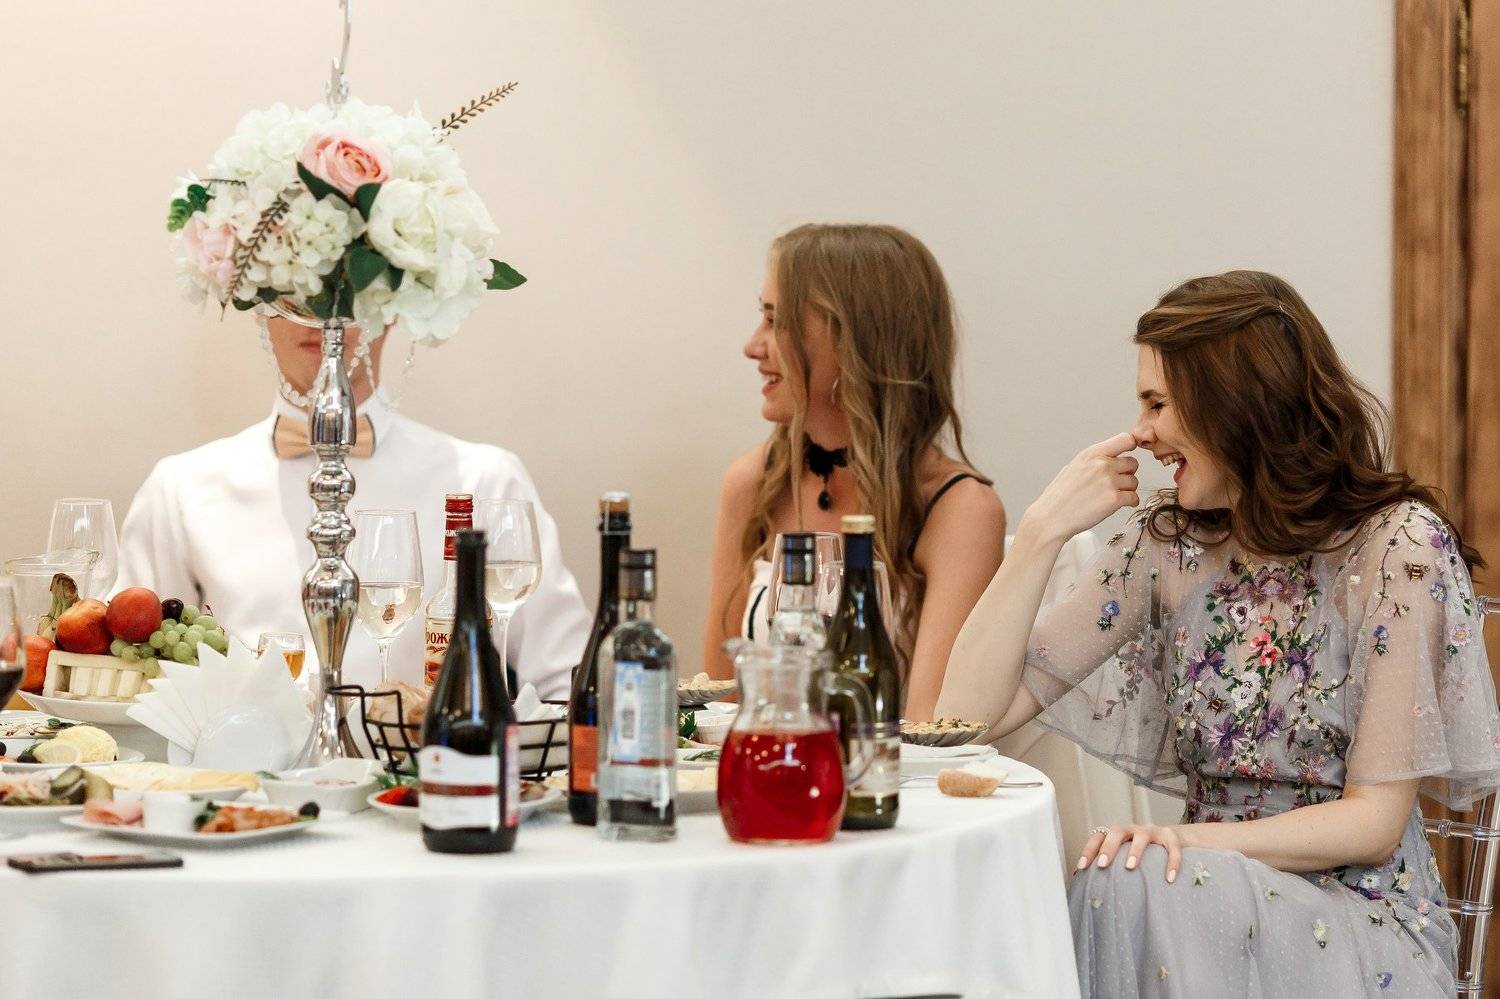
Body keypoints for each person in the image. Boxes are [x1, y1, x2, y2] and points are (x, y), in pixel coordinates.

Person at [935, 270, 1500, 996]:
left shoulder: (1398, 547)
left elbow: (1373, 824)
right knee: (1123, 879)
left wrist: (1183, 842)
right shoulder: (1167, 546)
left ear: (1232, 400)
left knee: (1128, 877)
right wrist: (1042, 532)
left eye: (1157, 403)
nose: (1142, 432)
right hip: (1200, 907)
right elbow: (964, 719)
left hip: (1361, 923)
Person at [116, 313, 590, 698]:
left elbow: (566, 675)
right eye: (293, 291)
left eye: (346, 288)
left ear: (394, 306)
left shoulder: (484, 481)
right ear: (258, 307)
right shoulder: (180, 488)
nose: (320, 317)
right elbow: (132, 677)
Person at [702, 223, 1005, 720]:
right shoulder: (755, 482)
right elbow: (717, 703)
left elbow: (929, 725)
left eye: (775, 321)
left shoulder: (959, 508)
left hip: (888, 767)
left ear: (854, 341)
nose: (753, 347)